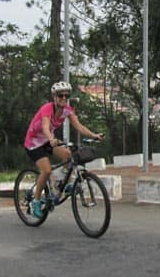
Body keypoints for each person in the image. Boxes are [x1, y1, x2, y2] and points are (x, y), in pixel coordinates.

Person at [24, 81, 103, 217]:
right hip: (34, 143)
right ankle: (35, 201)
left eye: (67, 95)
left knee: (67, 154)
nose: (64, 98)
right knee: (47, 170)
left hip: (48, 141)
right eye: (61, 95)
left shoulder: (67, 110)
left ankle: (62, 183)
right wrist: (51, 139)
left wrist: (94, 135)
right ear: (54, 96)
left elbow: (79, 126)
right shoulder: (47, 108)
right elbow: (45, 127)